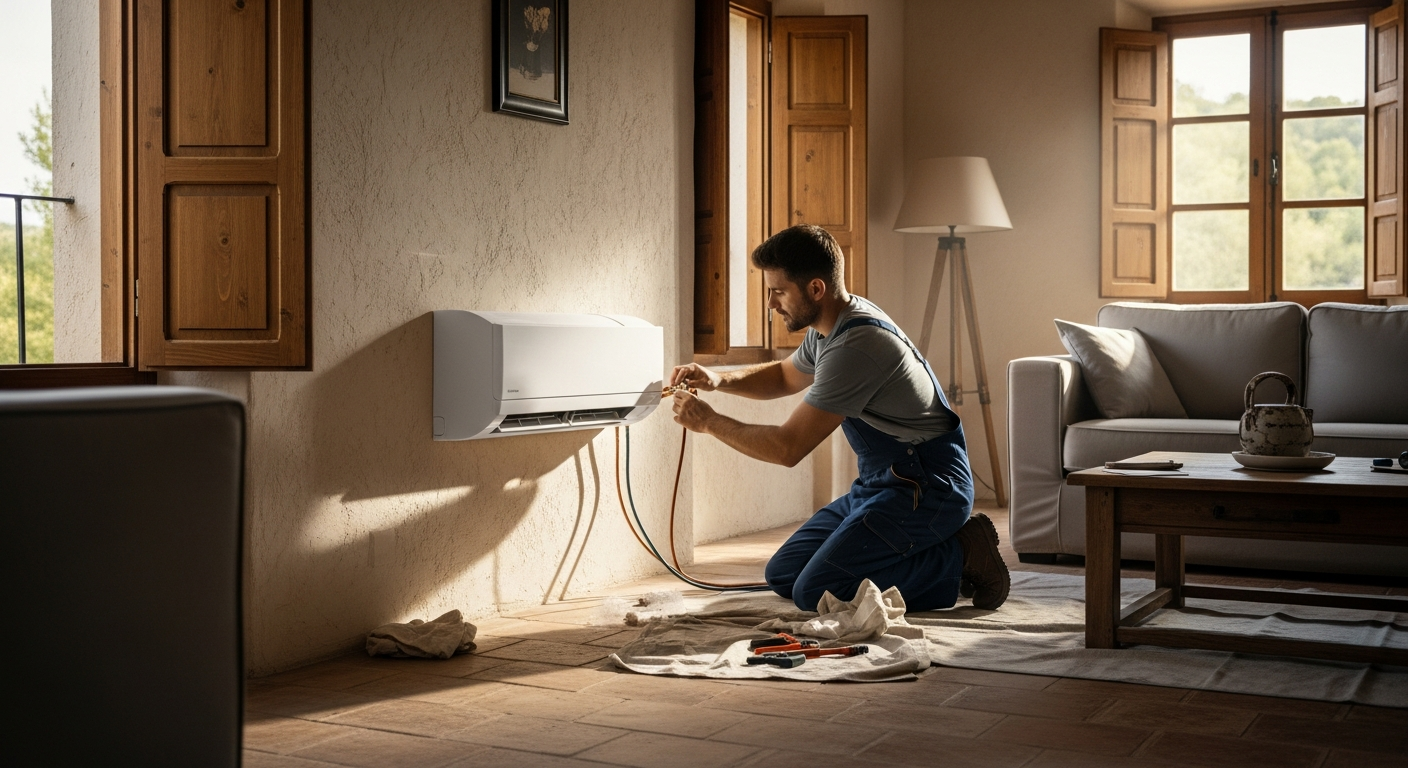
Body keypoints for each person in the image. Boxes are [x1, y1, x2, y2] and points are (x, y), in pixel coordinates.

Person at [668, 224, 1010, 613]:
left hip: (928, 488)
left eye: (779, 291)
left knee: (817, 590)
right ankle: (924, 548)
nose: (770, 303)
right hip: (883, 483)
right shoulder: (830, 327)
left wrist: (708, 422)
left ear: (816, 289)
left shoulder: (856, 347)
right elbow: (783, 376)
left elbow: (787, 447)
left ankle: (961, 554)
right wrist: (717, 379)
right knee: (784, 575)